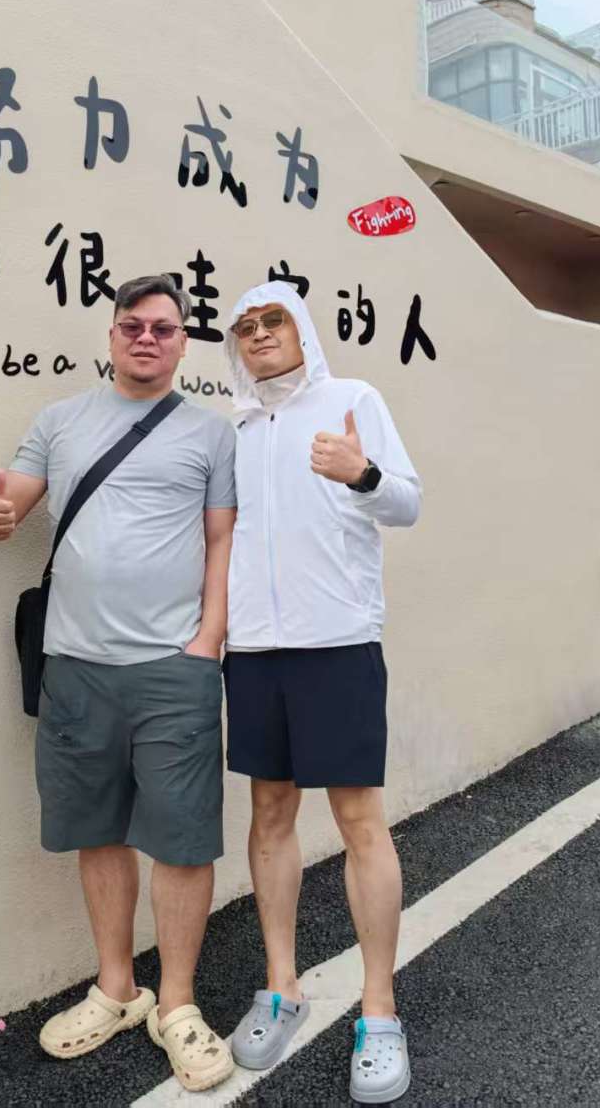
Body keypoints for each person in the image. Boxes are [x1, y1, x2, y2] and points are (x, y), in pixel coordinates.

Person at [0, 275, 237, 1094]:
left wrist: (208, 641)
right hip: (76, 666)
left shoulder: (210, 433)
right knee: (99, 829)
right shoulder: (60, 421)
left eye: (162, 327)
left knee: (183, 838)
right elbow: (5, 502)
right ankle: (117, 988)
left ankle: (177, 1003)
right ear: (112, 335)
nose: (146, 338)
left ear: (182, 342)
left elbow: (222, 540)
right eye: (132, 325)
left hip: (173, 669)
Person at [221, 281, 421, 1104]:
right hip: (253, 649)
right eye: (245, 327)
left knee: (358, 820)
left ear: (302, 329)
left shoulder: (352, 400)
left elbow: (407, 503)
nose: (259, 334)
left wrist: (362, 472)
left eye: (273, 320)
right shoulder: (236, 430)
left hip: (337, 642)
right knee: (269, 811)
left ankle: (379, 1008)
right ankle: (281, 986)